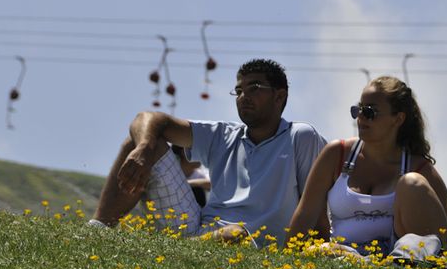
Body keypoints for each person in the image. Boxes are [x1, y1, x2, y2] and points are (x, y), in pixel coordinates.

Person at [90, 59, 326, 247]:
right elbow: (149, 118)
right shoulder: (223, 135)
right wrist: (143, 148)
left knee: (235, 234)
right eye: (239, 90)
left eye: (254, 88)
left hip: (253, 244)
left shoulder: (300, 136)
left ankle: (175, 250)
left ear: (279, 96)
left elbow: (314, 205)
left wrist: (312, 250)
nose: (244, 97)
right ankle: (95, 232)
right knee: (140, 142)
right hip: (200, 231)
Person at [287, 76, 447, 259]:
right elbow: (305, 215)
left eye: (370, 112)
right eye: (357, 110)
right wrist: (284, 264)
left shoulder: (418, 167)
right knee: (318, 252)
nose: (360, 117)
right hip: (346, 257)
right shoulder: (336, 154)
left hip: (398, 260)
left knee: (412, 183)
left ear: (398, 119)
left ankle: (423, 266)